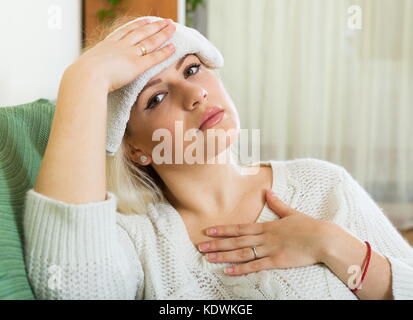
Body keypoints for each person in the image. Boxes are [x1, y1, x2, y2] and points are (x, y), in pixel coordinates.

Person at [23, 15, 413, 300]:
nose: (195, 95)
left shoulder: (323, 185)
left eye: (192, 69)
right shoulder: (138, 241)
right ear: (135, 149)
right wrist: (85, 79)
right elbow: (71, 290)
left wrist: (333, 245)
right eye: (156, 98)